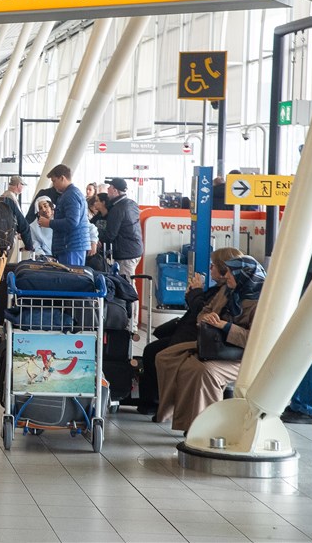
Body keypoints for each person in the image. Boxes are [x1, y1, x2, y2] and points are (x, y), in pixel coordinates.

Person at [155, 254, 266, 433]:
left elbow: (257, 340)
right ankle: (184, 419)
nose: (226, 276)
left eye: (230, 272)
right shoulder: (227, 292)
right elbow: (205, 310)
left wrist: (226, 326)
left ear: (243, 275)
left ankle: (206, 428)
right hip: (217, 347)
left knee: (203, 371)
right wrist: (206, 318)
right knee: (167, 357)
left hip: (243, 357)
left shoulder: (261, 304)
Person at [136, 248, 239, 416]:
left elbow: (202, 313)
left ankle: (157, 402)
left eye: (214, 265)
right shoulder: (219, 290)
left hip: (199, 340)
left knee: (155, 353)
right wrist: (192, 294)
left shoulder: (226, 293)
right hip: (191, 335)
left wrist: (195, 292)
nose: (210, 268)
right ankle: (154, 402)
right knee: (152, 351)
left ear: (223, 270)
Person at [281, 223, 312, 425]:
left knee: (311, 350)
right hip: (308, 296)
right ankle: (304, 403)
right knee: (309, 349)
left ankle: (310, 406)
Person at [37, 164, 88, 266]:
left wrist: (49, 223)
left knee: (70, 279)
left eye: (54, 181)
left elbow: (72, 221)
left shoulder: (70, 195)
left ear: (62, 178)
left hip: (70, 246)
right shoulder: (71, 194)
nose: (53, 185)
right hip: (71, 245)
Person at [101, 177, 143, 277]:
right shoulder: (131, 203)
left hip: (126, 254)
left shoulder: (118, 209)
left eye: (109, 187)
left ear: (115, 191)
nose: (107, 190)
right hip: (134, 249)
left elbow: (110, 235)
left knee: (126, 285)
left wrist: (97, 237)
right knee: (128, 282)